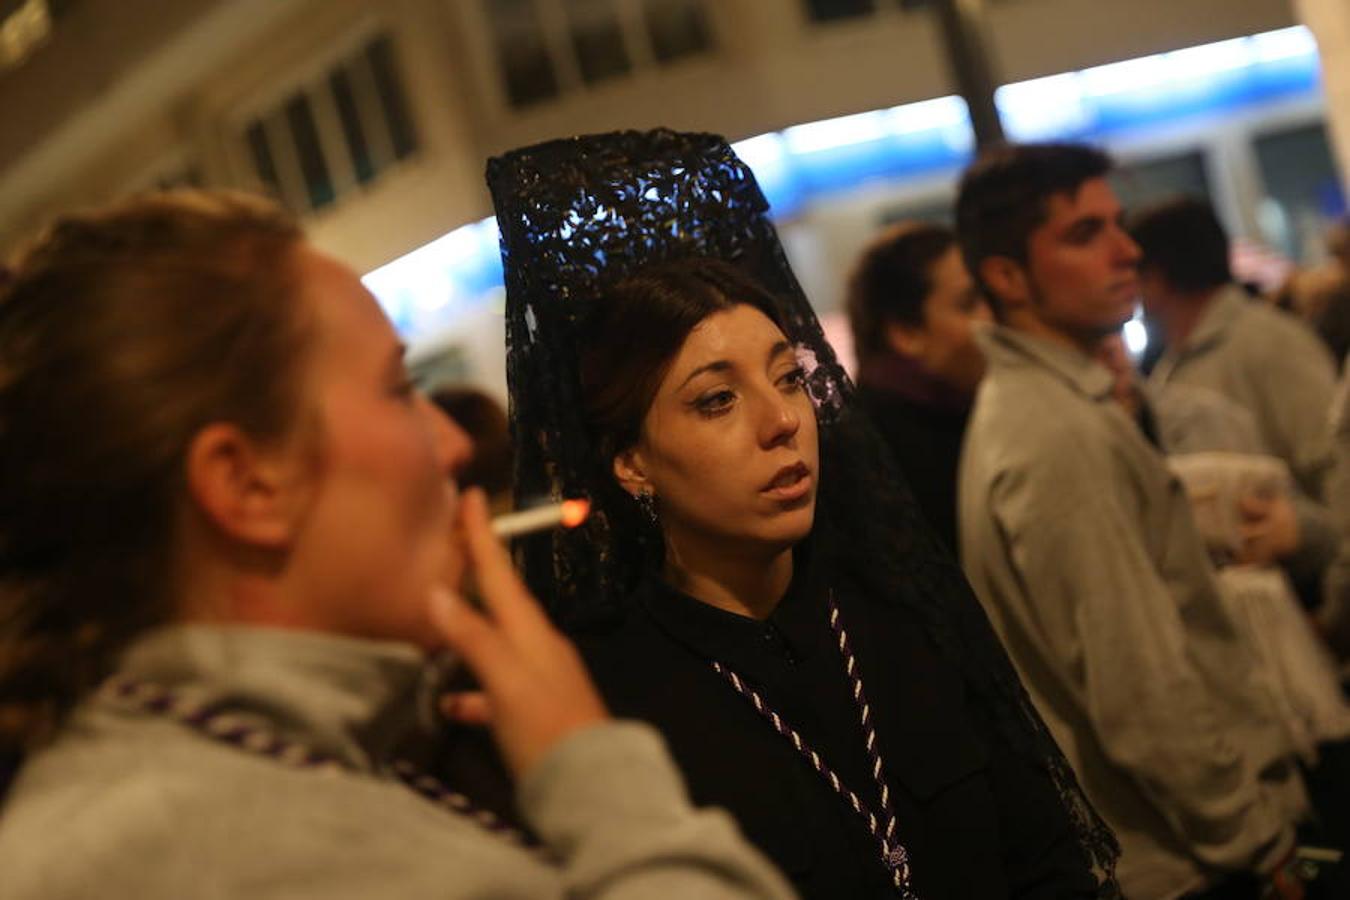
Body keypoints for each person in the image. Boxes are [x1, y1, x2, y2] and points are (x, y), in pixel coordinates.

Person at [0, 190, 796, 900]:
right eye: (397, 389)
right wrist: (587, 761)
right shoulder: (258, 853)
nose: (452, 443)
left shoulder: (173, 782)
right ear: (247, 486)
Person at [486, 129, 1118, 899]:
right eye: (716, 399)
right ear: (631, 462)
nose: (782, 420)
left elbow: (1046, 857)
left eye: (788, 378)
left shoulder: (901, 618)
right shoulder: (614, 700)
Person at [954, 143, 1309, 898]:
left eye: (1118, 223)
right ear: (1007, 276)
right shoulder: (1055, 434)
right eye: (1085, 235)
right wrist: (1254, 839)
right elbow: (1142, 693)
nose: (1128, 250)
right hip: (1195, 865)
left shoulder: (1059, 409)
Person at [1134, 197, 1339, 501]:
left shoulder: (1269, 341)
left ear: (1158, 275)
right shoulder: (1176, 357)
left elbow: (1333, 462)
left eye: (1131, 267)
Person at [846, 222, 991, 554]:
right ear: (906, 333)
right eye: (968, 305)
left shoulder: (958, 409)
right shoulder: (879, 453)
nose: (991, 319)